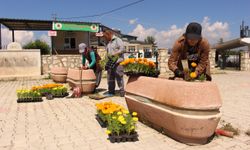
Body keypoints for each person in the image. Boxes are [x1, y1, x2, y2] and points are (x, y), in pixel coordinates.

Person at [103, 30, 125, 97]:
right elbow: (108, 53)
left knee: (119, 77)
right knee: (110, 78)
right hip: (110, 62)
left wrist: (114, 54)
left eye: (105, 36)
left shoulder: (118, 40)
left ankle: (122, 92)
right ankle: (111, 92)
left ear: (109, 34)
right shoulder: (108, 42)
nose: (105, 38)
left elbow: (122, 49)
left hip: (118, 62)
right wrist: (106, 61)